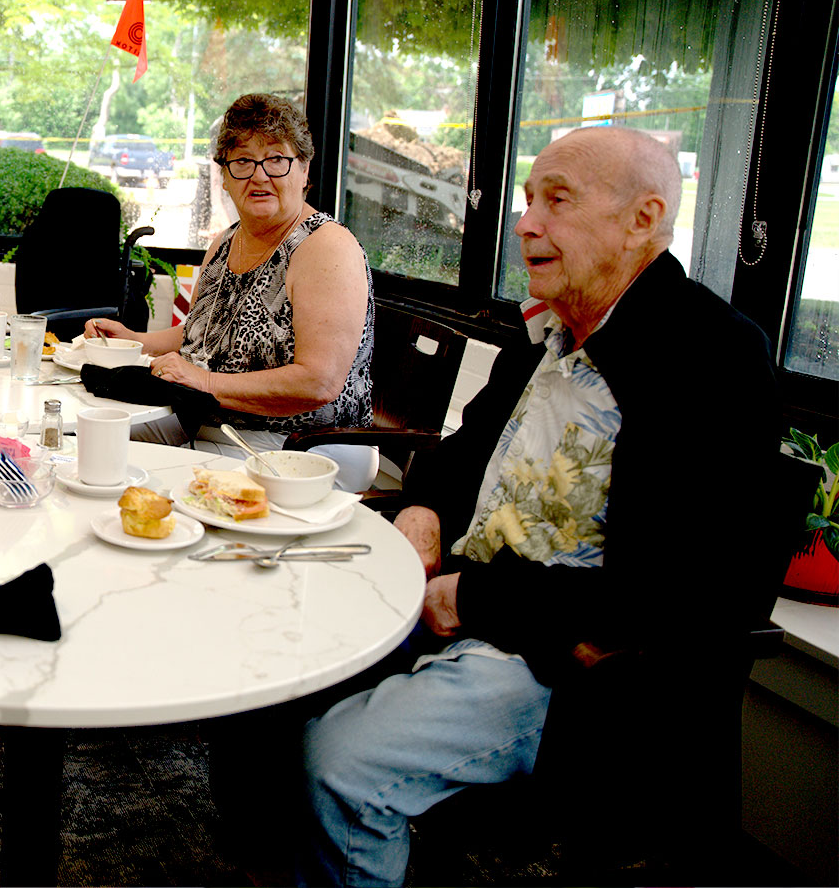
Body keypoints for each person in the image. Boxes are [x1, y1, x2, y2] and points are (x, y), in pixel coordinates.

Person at [296, 126, 782, 885]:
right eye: (528, 201)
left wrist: (476, 598)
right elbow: (462, 454)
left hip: (575, 670)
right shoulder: (546, 333)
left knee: (341, 760)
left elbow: (678, 591)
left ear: (643, 219)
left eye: (557, 200)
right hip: (461, 604)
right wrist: (424, 508)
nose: (526, 224)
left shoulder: (711, 357)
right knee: (284, 656)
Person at [85, 93, 377, 490]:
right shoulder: (226, 242)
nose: (259, 175)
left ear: (304, 170)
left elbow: (318, 383)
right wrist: (134, 341)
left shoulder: (325, 248)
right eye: (242, 161)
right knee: (91, 444)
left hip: (302, 448)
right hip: (212, 422)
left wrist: (205, 383)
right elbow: (201, 335)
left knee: (135, 481)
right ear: (224, 175)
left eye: (276, 159)